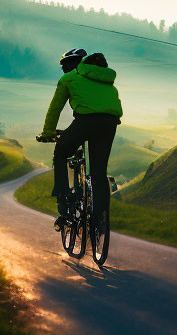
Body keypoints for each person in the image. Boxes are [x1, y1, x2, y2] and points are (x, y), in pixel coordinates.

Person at [38, 48, 123, 225]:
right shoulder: (104, 77)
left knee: (61, 153)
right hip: (110, 123)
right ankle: (99, 219)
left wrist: (47, 133)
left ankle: (63, 198)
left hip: (85, 121)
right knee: (100, 173)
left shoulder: (68, 78)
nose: (63, 69)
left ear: (73, 64)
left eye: (64, 64)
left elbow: (55, 109)